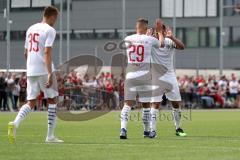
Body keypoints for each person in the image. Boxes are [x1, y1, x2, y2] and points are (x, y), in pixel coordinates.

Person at [8, 6, 63, 143]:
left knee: (31, 102)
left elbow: (25, 53)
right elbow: (47, 52)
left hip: (31, 70)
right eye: (55, 18)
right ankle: (50, 136)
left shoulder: (30, 29)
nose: (55, 21)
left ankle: (15, 123)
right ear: (51, 17)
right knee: (52, 100)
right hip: (44, 69)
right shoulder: (50, 30)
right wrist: (50, 73)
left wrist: (31, 67)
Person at [120, 18, 164, 139]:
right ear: (146, 28)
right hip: (144, 75)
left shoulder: (127, 39)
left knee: (127, 104)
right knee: (145, 106)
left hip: (130, 75)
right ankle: (146, 131)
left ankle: (123, 129)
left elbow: (137, 41)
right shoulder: (150, 39)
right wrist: (159, 32)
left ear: (136, 27)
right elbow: (162, 44)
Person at [148, 19, 187, 138]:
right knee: (155, 103)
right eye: (160, 29)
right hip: (157, 76)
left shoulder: (170, 41)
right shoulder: (152, 42)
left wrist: (173, 37)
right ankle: (152, 130)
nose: (162, 31)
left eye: (163, 29)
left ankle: (178, 128)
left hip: (170, 76)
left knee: (176, 103)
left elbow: (182, 47)